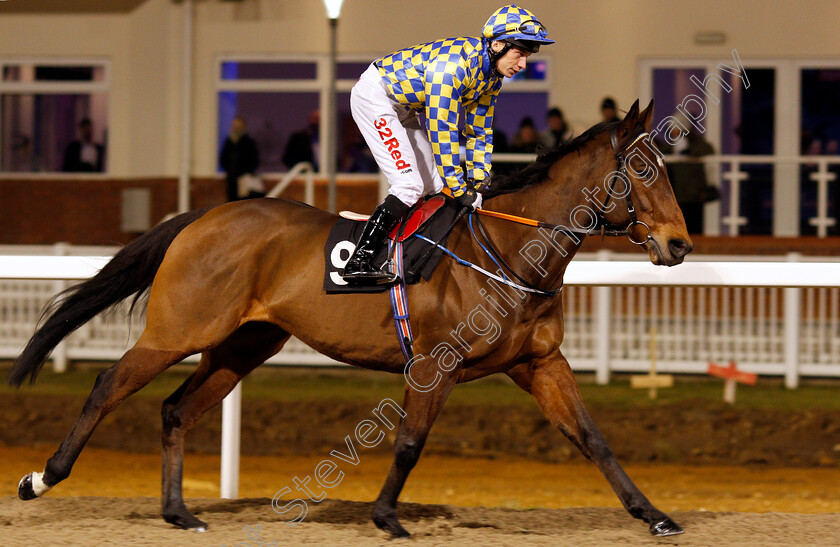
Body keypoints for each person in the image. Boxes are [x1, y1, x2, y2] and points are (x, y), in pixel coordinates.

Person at [343, 4, 554, 283]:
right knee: (409, 185)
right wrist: (459, 187)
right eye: (520, 53)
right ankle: (359, 260)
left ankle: (407, 251)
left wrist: (479, 182)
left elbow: (480, 132)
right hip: (375, 97)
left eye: (527, 56)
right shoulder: (453, 66)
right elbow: (443, 130)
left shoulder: (491, 78)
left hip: (403, 108)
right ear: (498, 44)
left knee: (432, 186)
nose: (524, 64)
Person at [669, 126, 715, 234]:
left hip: (694, 194)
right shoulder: (670, 145)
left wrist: (688, 149)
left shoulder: (697, 144)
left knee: (695, 226)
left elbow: (708, 150)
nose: (675, 132)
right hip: (677, 194)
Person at [219, 116, 260, 202]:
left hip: (244, 178)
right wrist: (229, 171)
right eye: (234, 126)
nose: (236, 129)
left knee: (244, 201)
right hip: (232, 179)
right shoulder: (229, 142)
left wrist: (246, 172)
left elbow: (254, 160)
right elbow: (223, 158)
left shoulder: (249, 143)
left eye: (238, 127)